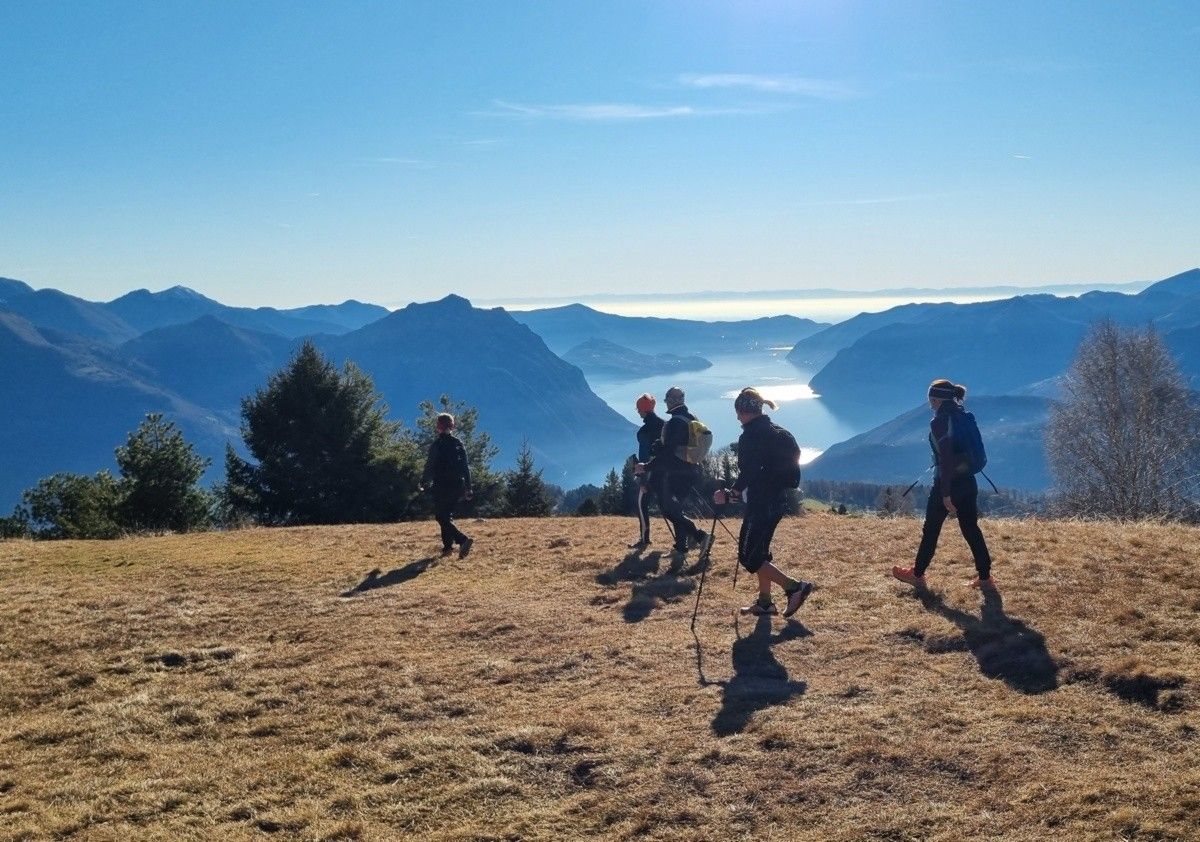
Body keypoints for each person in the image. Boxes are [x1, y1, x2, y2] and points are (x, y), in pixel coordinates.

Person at [714, 387, 814, 618]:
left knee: (749, 557)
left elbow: (749, 472)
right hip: (777, 502)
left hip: (760, 504)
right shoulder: (779, 432)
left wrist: (730, 493)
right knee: (760, 553)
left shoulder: (750, 436)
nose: (737, 417)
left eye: (738, 412)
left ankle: (794, 587)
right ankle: (765, 603)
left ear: (745, 411)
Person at [893, 380, 995, 589]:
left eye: (930, 399)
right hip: (968, 480)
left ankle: (917, 574)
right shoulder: (965, 416)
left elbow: (947, 459)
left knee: (931, 529)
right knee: (970, 529)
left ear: (936, 398)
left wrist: (946, 493)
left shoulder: (940, 421)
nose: (929, 403)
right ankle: (985, 579)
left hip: (947, 483)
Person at [637, 386, 711, 558]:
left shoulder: (675, 422)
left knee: (669, 510)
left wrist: (646, 467)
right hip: (692, 470)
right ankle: (681, 546)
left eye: (667, 400)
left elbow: (668, 455)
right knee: (676, 510)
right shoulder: (690, 417)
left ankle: (700, 536)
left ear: (670, 401)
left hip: (677, 474)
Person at [420, 412, 474, 558]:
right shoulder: (458, 443)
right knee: (446, 515)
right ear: (453, 426)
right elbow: (465, 467)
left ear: (438, 427)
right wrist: (468, 487)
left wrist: (424, 481)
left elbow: (430, 465)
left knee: (441, 516)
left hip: (442, 486)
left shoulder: (437, 445)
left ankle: (462, 540)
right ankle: (447, 548)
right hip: (458, 486)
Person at [629, 393, 665, 550]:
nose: (638, 412)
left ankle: (644, 539)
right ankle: (687, 536)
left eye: (638, 410)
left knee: (642, 503)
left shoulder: (643, 432)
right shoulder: (665, 425)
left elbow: (644, 457)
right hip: (667, 471)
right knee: (669, 506)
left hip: (650, 472)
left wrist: (643, 481)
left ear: (642, 411)